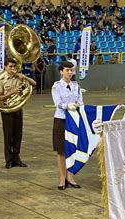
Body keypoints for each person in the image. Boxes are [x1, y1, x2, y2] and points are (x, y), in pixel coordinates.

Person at [0, 58, 36, 169]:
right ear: (5, 67)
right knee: (8, 136)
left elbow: (34, 84)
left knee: (18, 135)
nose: (12, 69)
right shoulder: (1, 80)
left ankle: (16, 158)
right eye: (10, 67)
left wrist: (25, 77)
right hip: (7, 111)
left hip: (18, 109)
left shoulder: (19, 77)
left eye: (14, 67)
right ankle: (8, 160)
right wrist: (11, 92)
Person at [51, 61, 83, 190]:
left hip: (74, 119)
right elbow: (57, 102)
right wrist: (67, 106)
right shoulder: (56, 86)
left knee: (73, 149)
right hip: (61, 119)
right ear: (61, 71)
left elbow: (80, 101)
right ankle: (61, 178)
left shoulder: (76, 86)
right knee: (61, 150)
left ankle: (70, 176)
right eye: (67, 70)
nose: (70, 73)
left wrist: (79, 107)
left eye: (71, 70)